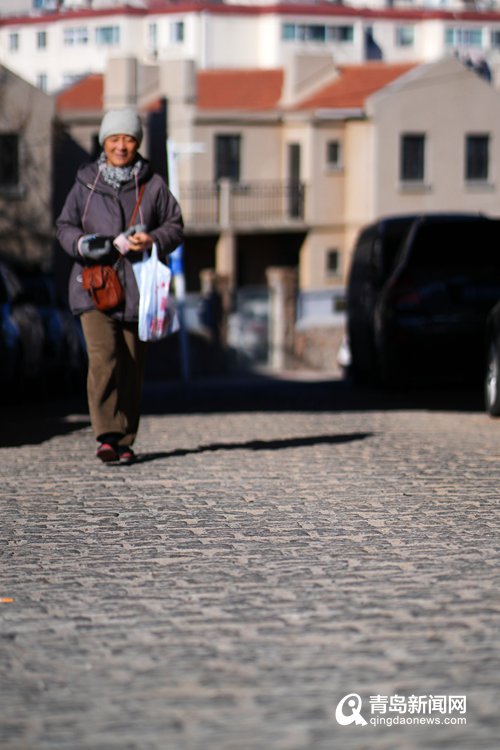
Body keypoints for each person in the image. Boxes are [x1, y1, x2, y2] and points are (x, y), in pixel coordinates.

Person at [56, 108, 184, 464]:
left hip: (137, 290)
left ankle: (126, 438)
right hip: (92, 286)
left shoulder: (154, 184)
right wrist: (83, 244)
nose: (121, 146)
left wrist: (152, 238)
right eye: (115, 139)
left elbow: (175, 226)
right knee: (104, 358)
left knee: (131, 363)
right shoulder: (85, 182)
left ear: (137, 143)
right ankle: (107, 434)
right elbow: (64, 226)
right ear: (104, 142)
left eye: (128, 139)